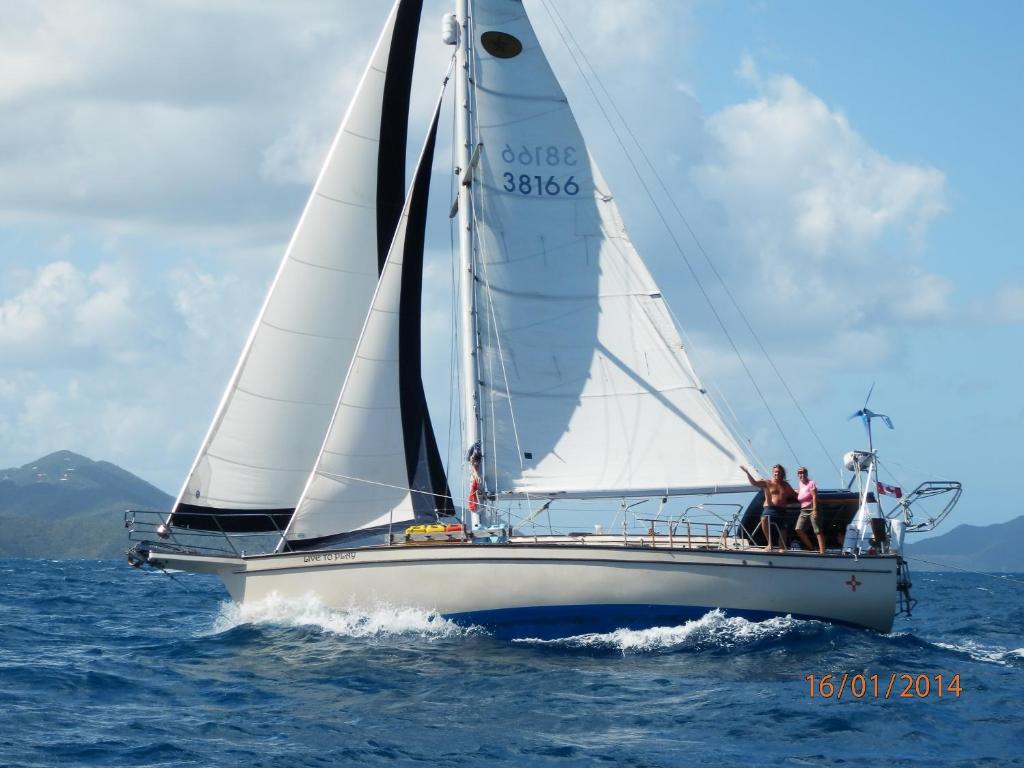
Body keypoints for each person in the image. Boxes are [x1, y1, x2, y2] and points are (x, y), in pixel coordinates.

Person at [741, 464, 796, 552]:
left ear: (782, 474)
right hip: (770, 509)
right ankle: (770, 544)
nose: (777, 474)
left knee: (783, 528)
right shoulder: (767, 482)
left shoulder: (786, 485)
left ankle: (782, 547)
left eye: (779, 472)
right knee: (764, 518)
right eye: (775, 472)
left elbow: (795, 494)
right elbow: (754, 483)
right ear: (773, 473)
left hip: (781, 510)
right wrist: (747, 472)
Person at [794, 467, 825, 554]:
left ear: (806, 474)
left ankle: (822, 551)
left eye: (803, 472)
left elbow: (814, 496)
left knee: (817, 530)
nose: (802, 474)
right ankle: (811, 548)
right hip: (803, 510)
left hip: (812, 508)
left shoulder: (811, 483)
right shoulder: (800, 484)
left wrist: (815, 510)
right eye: (800, 473)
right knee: (798, 529)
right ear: (798, 475)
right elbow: (800, 492)